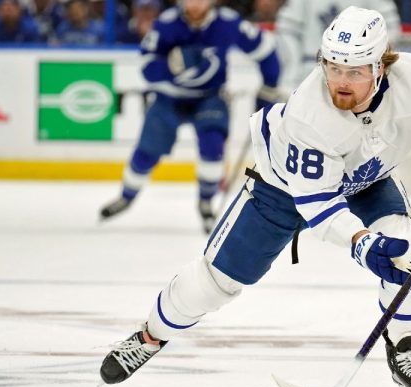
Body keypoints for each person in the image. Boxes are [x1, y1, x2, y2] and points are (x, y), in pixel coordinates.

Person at [100, 6, 411, 387]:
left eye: (356, 71)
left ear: (381, 67)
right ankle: (150, 336)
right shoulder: (309, 115)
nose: (341, 82)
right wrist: (361, 243)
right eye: (333, 68)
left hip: (369, 178)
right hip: (283, 188)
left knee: (409, 256)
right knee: (214, 284)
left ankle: (405, 355)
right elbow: (317, 203)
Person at [98, 0, 282, 233]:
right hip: (168, 98)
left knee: (212, 144)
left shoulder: (228, 23)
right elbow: (146, 66)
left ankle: (206, 202)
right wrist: (171, 66)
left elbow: (265, 50)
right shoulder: (167, 24)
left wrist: (269, 85)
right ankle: (126, 196)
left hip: (209, 97)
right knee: (147, 152)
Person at [274, 0, 400, 91]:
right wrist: (291, 75)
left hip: (358, 73)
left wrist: (365, 64)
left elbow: (388, 28)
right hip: (308, 71)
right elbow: (287, 30)